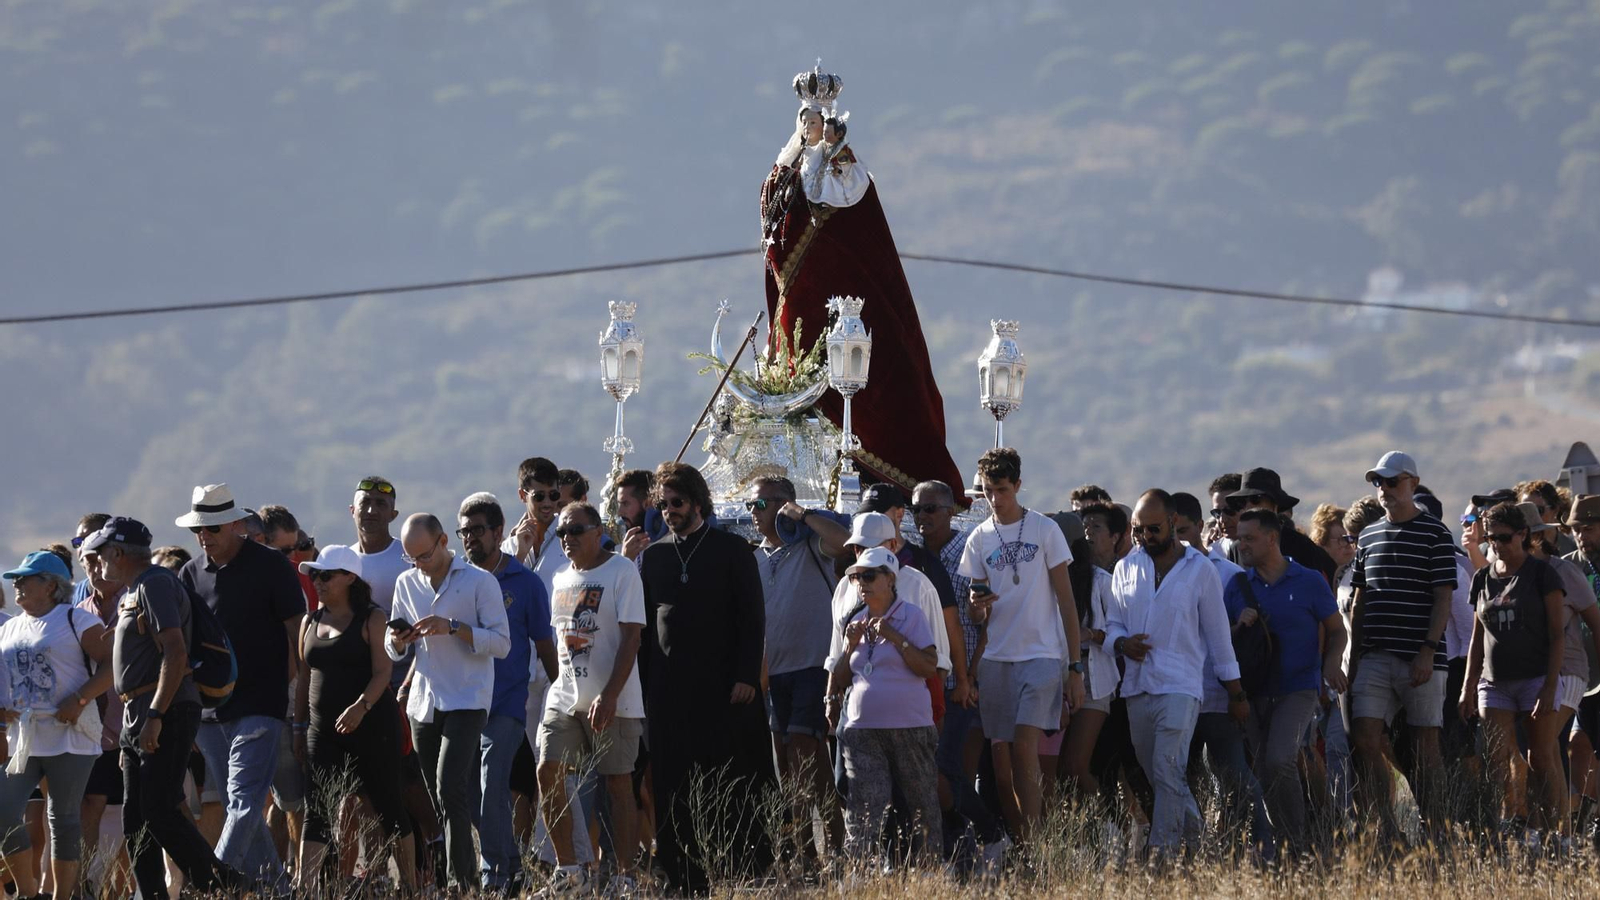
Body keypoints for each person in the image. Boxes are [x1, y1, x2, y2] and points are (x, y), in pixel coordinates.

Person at [758, 64, 962, 493]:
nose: (809, 128)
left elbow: (855, 225)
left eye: (815, 122)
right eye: (804, 122)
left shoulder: (847, 174)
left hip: (841, 305)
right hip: (800, 303)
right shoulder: (788, 172)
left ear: (828, 125)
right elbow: (775, 220)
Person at [83, 517, 239, 900]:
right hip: (138, 714)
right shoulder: (137, 588)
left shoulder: (154, 584)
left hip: (163, 709)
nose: (96, 560)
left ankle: (224, 883)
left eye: (101, 552)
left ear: (117, 553)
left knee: (160, 810)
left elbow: (175, 650)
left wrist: (154, 716)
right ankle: (154, 894)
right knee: (135, 821)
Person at [637, 462, 773, 894]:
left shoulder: (733, 550)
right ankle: (683, 875)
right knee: (674, 784)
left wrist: (746, 675)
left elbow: (753, 619)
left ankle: (740, 869)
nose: (669, 512)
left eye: (677, 503)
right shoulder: (655, 556)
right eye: (663, 505)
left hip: (725, 690)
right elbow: (641, 625)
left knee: (728, 781)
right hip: (668, 693)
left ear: (697, 502)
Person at [1104, 489, 1247, 859]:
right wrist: (1122, 643)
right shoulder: (1125, 568)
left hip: (1182, 687)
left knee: (1168, 770)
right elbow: (1113, 623)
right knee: (1161, 777)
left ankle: (1162, 857)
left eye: (1153, 529)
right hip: (1137, 687)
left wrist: (1235, 692)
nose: (1145, 538)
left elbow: (1218, 637)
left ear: (1172, 523)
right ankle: (1203, 849)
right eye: (1138, 530)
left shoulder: (1200, 570)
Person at [174, 483, 305, 888]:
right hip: (210, 714)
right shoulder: (190, 574)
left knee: (245, 803)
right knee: (237, 805)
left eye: (212, 528)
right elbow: (184, 646)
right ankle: (281, 891)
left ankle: (209, 886)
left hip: (261, 707)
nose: (204, 536)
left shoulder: (271, 565)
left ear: (235, 525)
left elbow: (296, 635)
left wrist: (283, 692)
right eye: (199, 529)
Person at [958, 448, 1083, 842]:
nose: (995, 499)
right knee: (1003, 764)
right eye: (988, 491)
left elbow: (1066, 600)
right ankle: (1026, 845)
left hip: (1042, 656)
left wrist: (1075, 668)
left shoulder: (1045, 530)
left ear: (1018, 486)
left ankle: (1041, 845)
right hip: (997, 659)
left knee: (1026, 747)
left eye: (1002, 489)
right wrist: (978, 607)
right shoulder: (978, 538)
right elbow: (977, 611)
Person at [386, 513, 510, 893]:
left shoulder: (479, 582)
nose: (419, 565)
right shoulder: (406, 582)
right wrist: (399, 642)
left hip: (468, 698)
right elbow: (392, 647)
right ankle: (455, 877)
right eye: (412, 558)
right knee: (441, 796)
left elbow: (502, 644)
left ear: (443, 541)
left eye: (424, 555)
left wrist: (453, 627)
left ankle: (463, 882)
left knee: (449, 784)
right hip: (424, 702)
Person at [292, 545, 414, 895]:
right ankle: (307, 888)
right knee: (317, 810)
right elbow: (304, 677)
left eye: (325, 575)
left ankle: (408, 886)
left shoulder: (372, 619)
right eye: (314, 574)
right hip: (322, 731)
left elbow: (383, 672)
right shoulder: (310, 620)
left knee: (388, 805)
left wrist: (361, 707)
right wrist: (299, 728)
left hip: (373, 728)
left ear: (349, 578)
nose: (318, 581)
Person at [1347, 452, 1458, 837]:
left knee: (1425, 744)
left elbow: (1443, 597)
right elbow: (1360, 599)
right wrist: (1356, 655)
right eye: (1379, 483)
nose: (1384, 490)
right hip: (1375, 654)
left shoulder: (1436, 533)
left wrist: (1427, 650)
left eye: (1392, 482)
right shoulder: (1368, 535)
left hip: (1420, 657)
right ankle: (1386, 829)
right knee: (1364, 736)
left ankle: (1437, 829)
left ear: (1412, 482)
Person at [539, 502, 647, 895]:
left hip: (613, 698)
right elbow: (560, 642)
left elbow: (632, 637)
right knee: (546, 770)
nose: (568, 539)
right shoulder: (559, 578)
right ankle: (570, 872)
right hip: (566, 696)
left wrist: (610, 694)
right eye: (561, 533)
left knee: (618, 785)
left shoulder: (621, 570)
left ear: (598, 530)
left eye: (576, 530)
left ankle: (623, 876)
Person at [1229, 508, 1347, 856]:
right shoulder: (1237, 585)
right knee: (1265, 768)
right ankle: (1284, 847)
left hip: (1299, 689)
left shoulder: (1309, 580)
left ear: (1272, 538)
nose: (1242, 545)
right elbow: (1223, 640)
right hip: (1254, 693)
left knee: (1281, 758)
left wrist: (1330, 663)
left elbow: (1337, 629)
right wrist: (1239, 625)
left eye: (1249, 538)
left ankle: (1296, 843)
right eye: (1240, 538)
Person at [0, 551, 113, 898]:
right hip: (25, 737)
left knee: (62, 819)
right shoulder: (10, 626)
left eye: (26, 578)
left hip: (69, 735)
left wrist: (79, 700)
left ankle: (63, 896)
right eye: (16, 578)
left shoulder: (76, 619)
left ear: (51, 586)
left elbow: (112, 665)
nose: (16, 584)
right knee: (4, 812)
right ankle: (29, 892)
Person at [457, 491, 553, 893]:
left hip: (507, 703)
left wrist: (562, 696)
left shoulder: (526, 583)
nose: (469, 539)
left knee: (492, 784)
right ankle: (513, 863)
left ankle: (495, 877)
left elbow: (544, 643)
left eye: (477, 531)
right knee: (465, 793)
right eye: (463, 532)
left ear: (499, 532)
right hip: (462, 704)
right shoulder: (455, 580)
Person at [748, 476, 848, 861]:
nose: (753, 514)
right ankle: (811, 849)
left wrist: (803, 515)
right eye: (750, 506)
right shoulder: (755, 557)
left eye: (761, 505)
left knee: (804, 752)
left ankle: (820, 848)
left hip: (813, 665)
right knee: (791, 764)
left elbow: (842, 543)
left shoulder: (811, 546)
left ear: (782, 504)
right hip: (774, 672)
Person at [825, 547, 942, 866]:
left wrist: (894, 636)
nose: (861, 582)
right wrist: (850, 647)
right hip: (863, 731)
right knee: (864, 808)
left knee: (921, 805)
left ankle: (929, 874)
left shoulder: (911, 615)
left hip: (910, 727)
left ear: (890, 579)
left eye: (869, 575)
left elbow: (929, 666)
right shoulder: (856, 620)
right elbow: (841, 677)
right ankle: (859, 877)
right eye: (856, 576)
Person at [1458, 502, 1566, 842]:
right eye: (1490, 538)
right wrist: (1467, 687)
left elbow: (1556, 633)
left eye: (1504, 537)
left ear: (1523, 535)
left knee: (1540, 758)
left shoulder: (1542, 574)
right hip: (1495, 682)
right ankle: (1504, 827)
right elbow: (1478, 636)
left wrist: (1550, 686)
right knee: (1494, 759)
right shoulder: (1482, 578)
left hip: (1536, 678)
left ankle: (1549, 832)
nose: (1496, 545)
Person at [74, 538, 132, 898]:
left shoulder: (136, 602)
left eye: (100, 561)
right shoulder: (78, 613)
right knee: (90, 805)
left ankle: (121, 890)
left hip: (135, 725)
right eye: (87, 562)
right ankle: (82, 885)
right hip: (91, 730)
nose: (94, 568)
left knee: (133, 810)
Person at [1227, 468, 1336, 588]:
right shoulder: (1236, 550)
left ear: (1275, 505)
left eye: (1255, 499)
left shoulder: (1302, 546)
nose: (1248, 506)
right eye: (1242, 502)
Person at [504, 457, 567, 597]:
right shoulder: (508, 547)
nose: (547, 503)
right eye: (539, 496)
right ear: (522, 495)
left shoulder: (571, 538)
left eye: (553, 495)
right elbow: (501, 593)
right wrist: (520, 555)